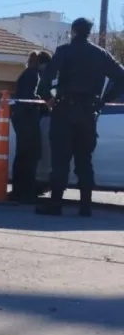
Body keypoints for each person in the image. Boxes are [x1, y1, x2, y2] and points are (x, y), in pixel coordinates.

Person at [35, 18, 124, 217]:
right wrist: (103, 101)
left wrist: (48, 98)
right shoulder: (101, 54)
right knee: (85, 160)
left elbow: (45, 81)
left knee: (61, 159)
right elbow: (121, 78)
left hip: (64, 111)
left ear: (74, 31)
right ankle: (85, 206)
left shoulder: (64, 51)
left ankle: (56, 204)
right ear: (89, 33)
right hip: (88, 113)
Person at [9, 52, 44, 203]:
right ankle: (26, 192)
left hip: (21, 118)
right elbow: (29, 98)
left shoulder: (27, 74)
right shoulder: (33, 75)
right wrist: (42, 102)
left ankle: (18, 190)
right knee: (31, 155)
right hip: (27, 120)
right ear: (42, 63)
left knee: (23, 154)